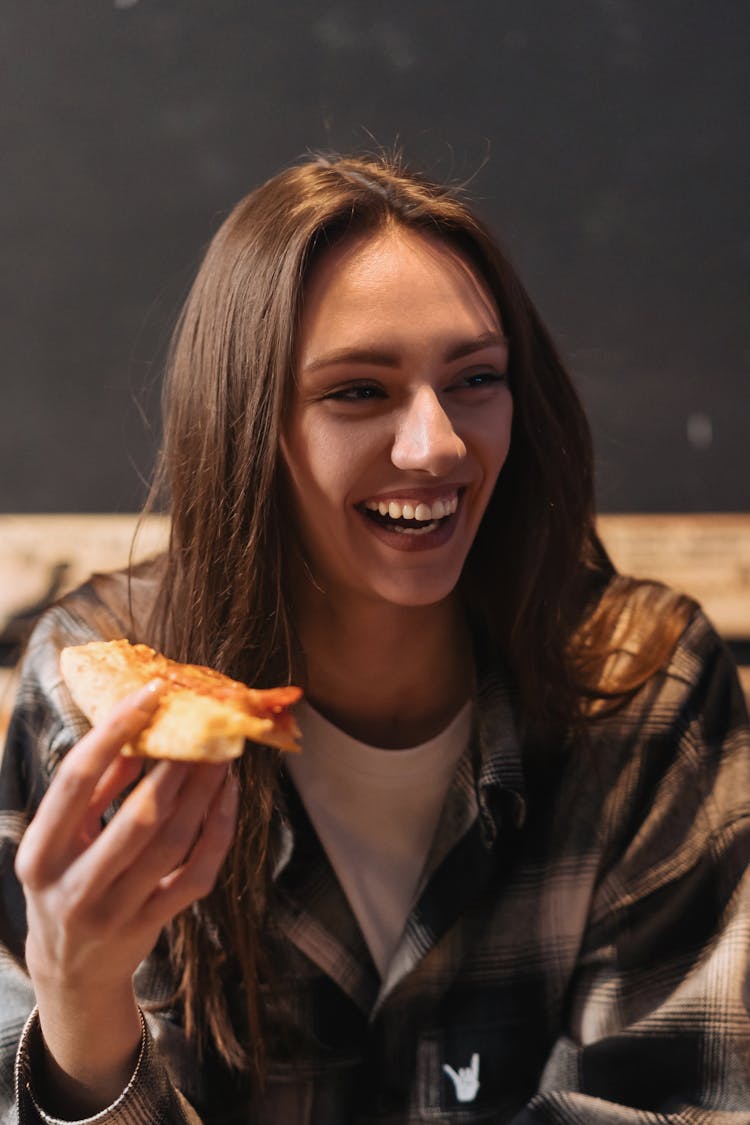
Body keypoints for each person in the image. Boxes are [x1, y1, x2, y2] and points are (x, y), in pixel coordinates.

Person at [1, 153, 749, 1124]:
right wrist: (80, 1011)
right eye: (359, 391)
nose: (437, 444)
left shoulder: (645, 689)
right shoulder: (102, 698)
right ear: (246, 424)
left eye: (476, 378)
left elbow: (688, 1100)